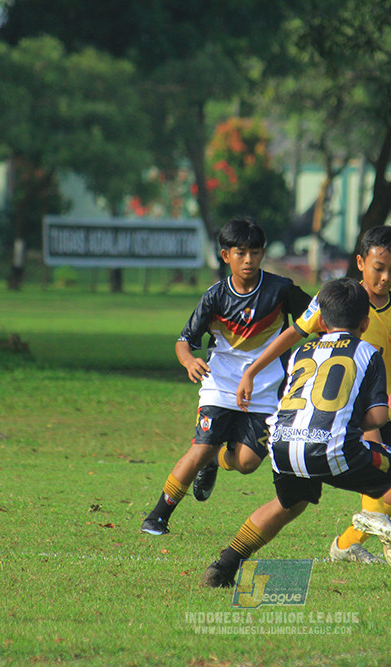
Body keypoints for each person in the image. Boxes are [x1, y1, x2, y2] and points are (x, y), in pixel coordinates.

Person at [203, 278, 391, 589]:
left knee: (290, 503)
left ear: (321, 321)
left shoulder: (302, 351)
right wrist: (346, 427)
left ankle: (224, 565)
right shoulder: (367, 352)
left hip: (283, 446)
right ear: (366, 323)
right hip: (332, 448)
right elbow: (378, 415)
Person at [140, 217, 312, 535]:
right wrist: (189, 360)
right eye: (241, 252)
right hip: (219, 384)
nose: (248, 260)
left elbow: (315, 314)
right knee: (200, 446)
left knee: (246, 463)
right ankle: (158, 515)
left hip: (266, 388)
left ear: (262, 254)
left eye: (255, 252)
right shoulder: (215, 296)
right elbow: (184, 341)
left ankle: (216, 459)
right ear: (225, 256)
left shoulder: (280, 289)